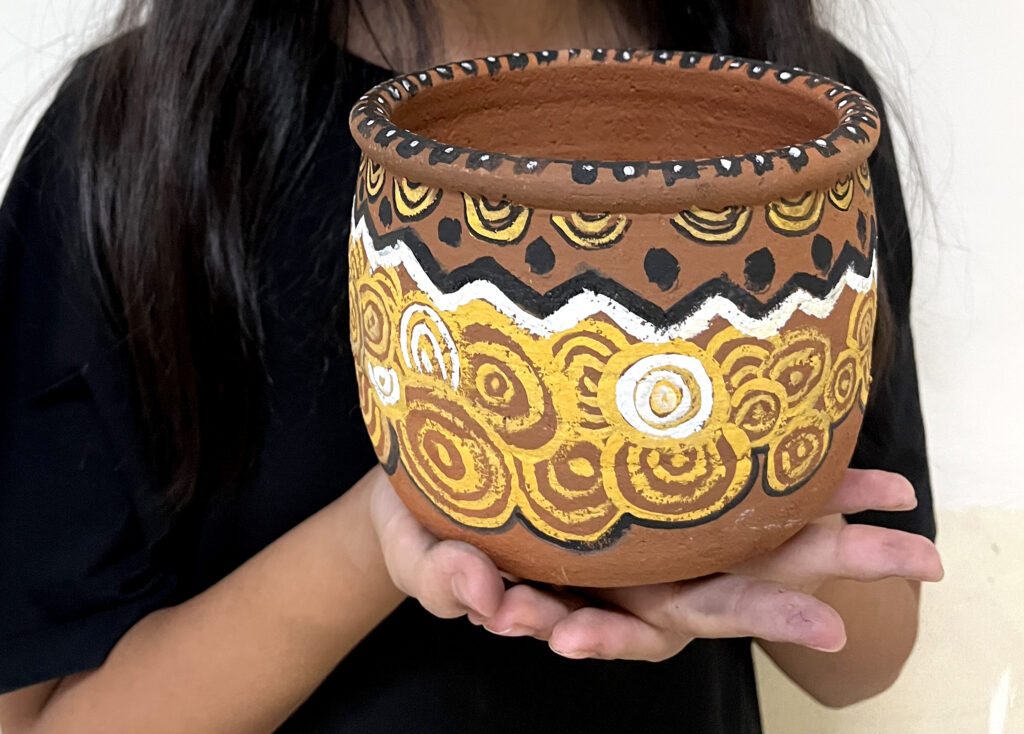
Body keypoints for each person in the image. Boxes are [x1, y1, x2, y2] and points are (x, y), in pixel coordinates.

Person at [0, 1, 942, 732]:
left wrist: (753, 514)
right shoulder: (135, 135)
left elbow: (870, 655)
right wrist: (378, 537)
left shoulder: (803, 117)